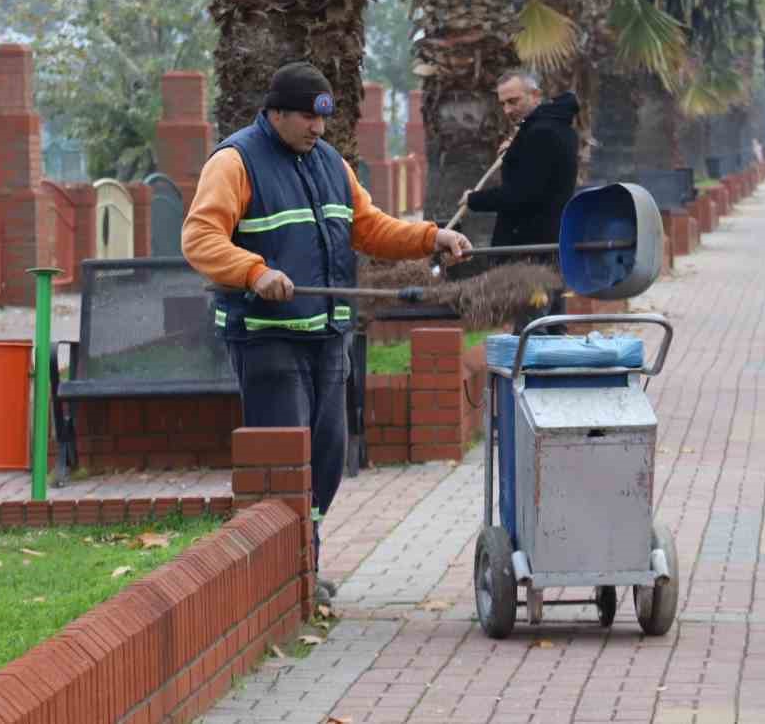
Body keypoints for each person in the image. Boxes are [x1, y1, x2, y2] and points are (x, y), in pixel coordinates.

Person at [182, 62, 473, 603]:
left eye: (323, 121)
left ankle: (303, 561)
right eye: (306, 120)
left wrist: (433, 237)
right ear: (275, 113)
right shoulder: (235, 161)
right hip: (267, 337)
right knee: (284, 457)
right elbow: (200, 237)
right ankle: (286, 577)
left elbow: (369, 229)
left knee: (329, 454)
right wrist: (255, 272)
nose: (317, 130)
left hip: (327, 334)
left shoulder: (331, 164)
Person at [460, 70, 580, 251]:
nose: (507, 110)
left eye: (513, 101)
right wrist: (515, 150)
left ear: (536, 96)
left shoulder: (541, 133)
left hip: (527, 249)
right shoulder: (556, 128)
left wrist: (473, 199)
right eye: (503, 104)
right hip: (541, 243)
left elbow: (520, 194)